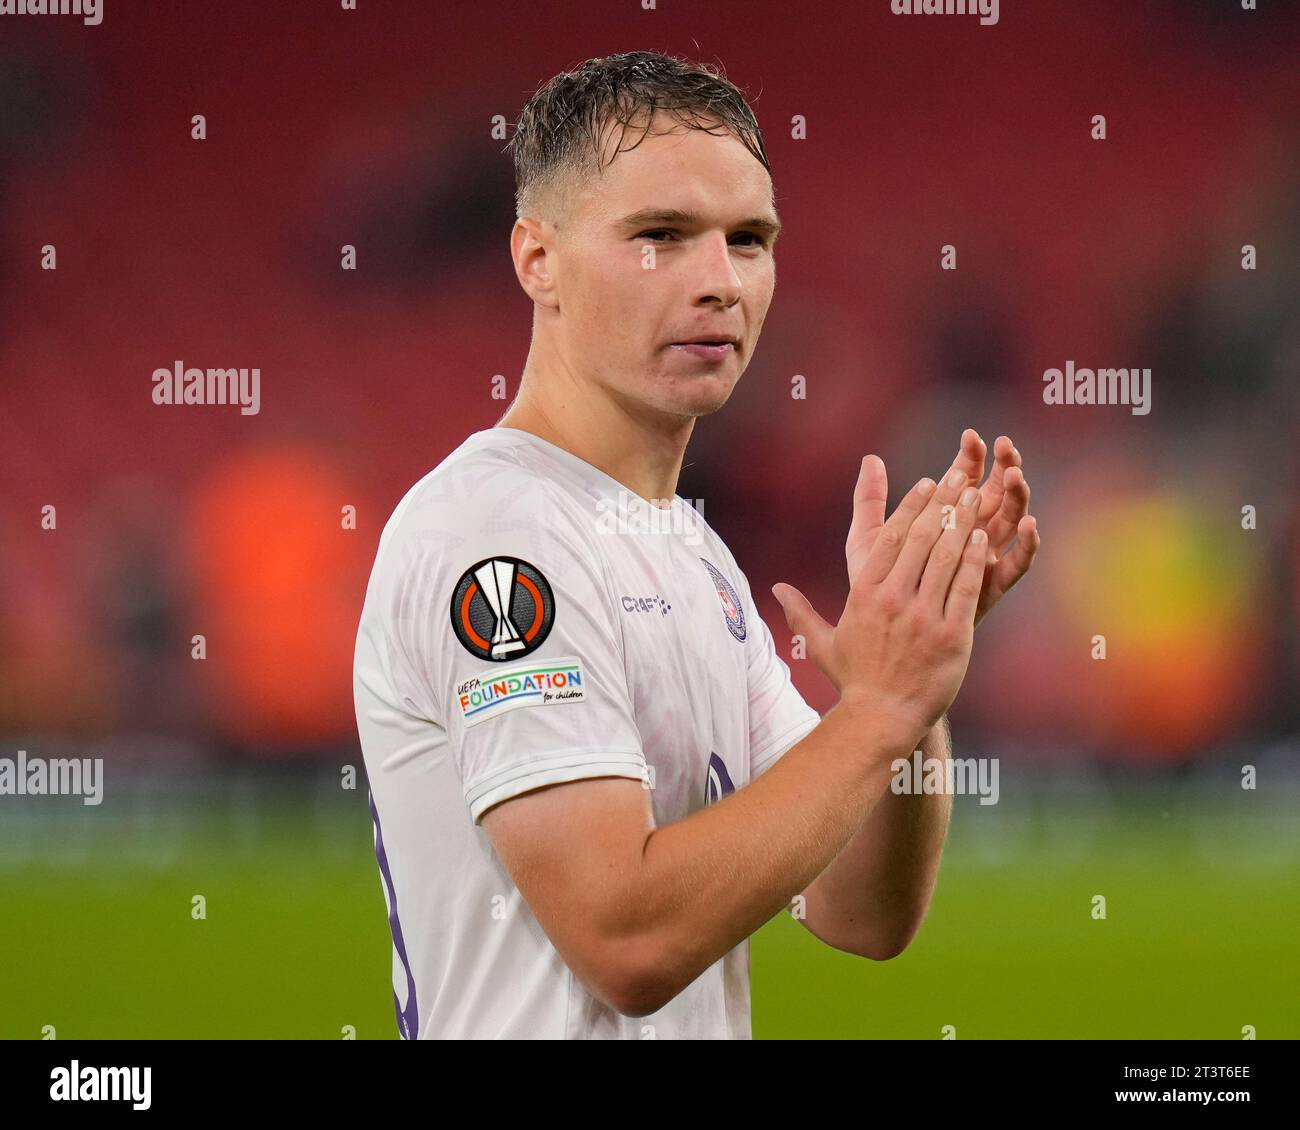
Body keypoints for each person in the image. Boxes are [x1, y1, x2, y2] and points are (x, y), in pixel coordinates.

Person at [352, 50, 1040, 1039]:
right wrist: (874, 710)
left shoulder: (689, 553)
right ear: (536, 258)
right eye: (660, 236)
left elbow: (859, 909)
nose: (719, 281)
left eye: (748, 239)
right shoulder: (498, 534)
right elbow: (624, 938)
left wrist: (912, 691)